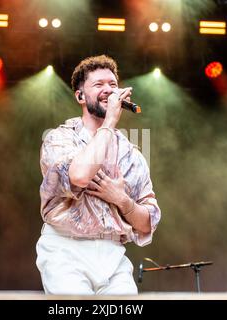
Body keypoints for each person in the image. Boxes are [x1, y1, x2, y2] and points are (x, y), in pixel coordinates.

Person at [36, 55, 161, 295]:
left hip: (113, 253)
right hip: (66, 249)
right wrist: (110, 122)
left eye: (113, 85)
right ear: (80, 96)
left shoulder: (131, 154)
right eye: (99, 85)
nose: (109, 91)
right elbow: (80, 176)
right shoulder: (60, 138)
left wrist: (122, 199)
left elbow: (147, 223)